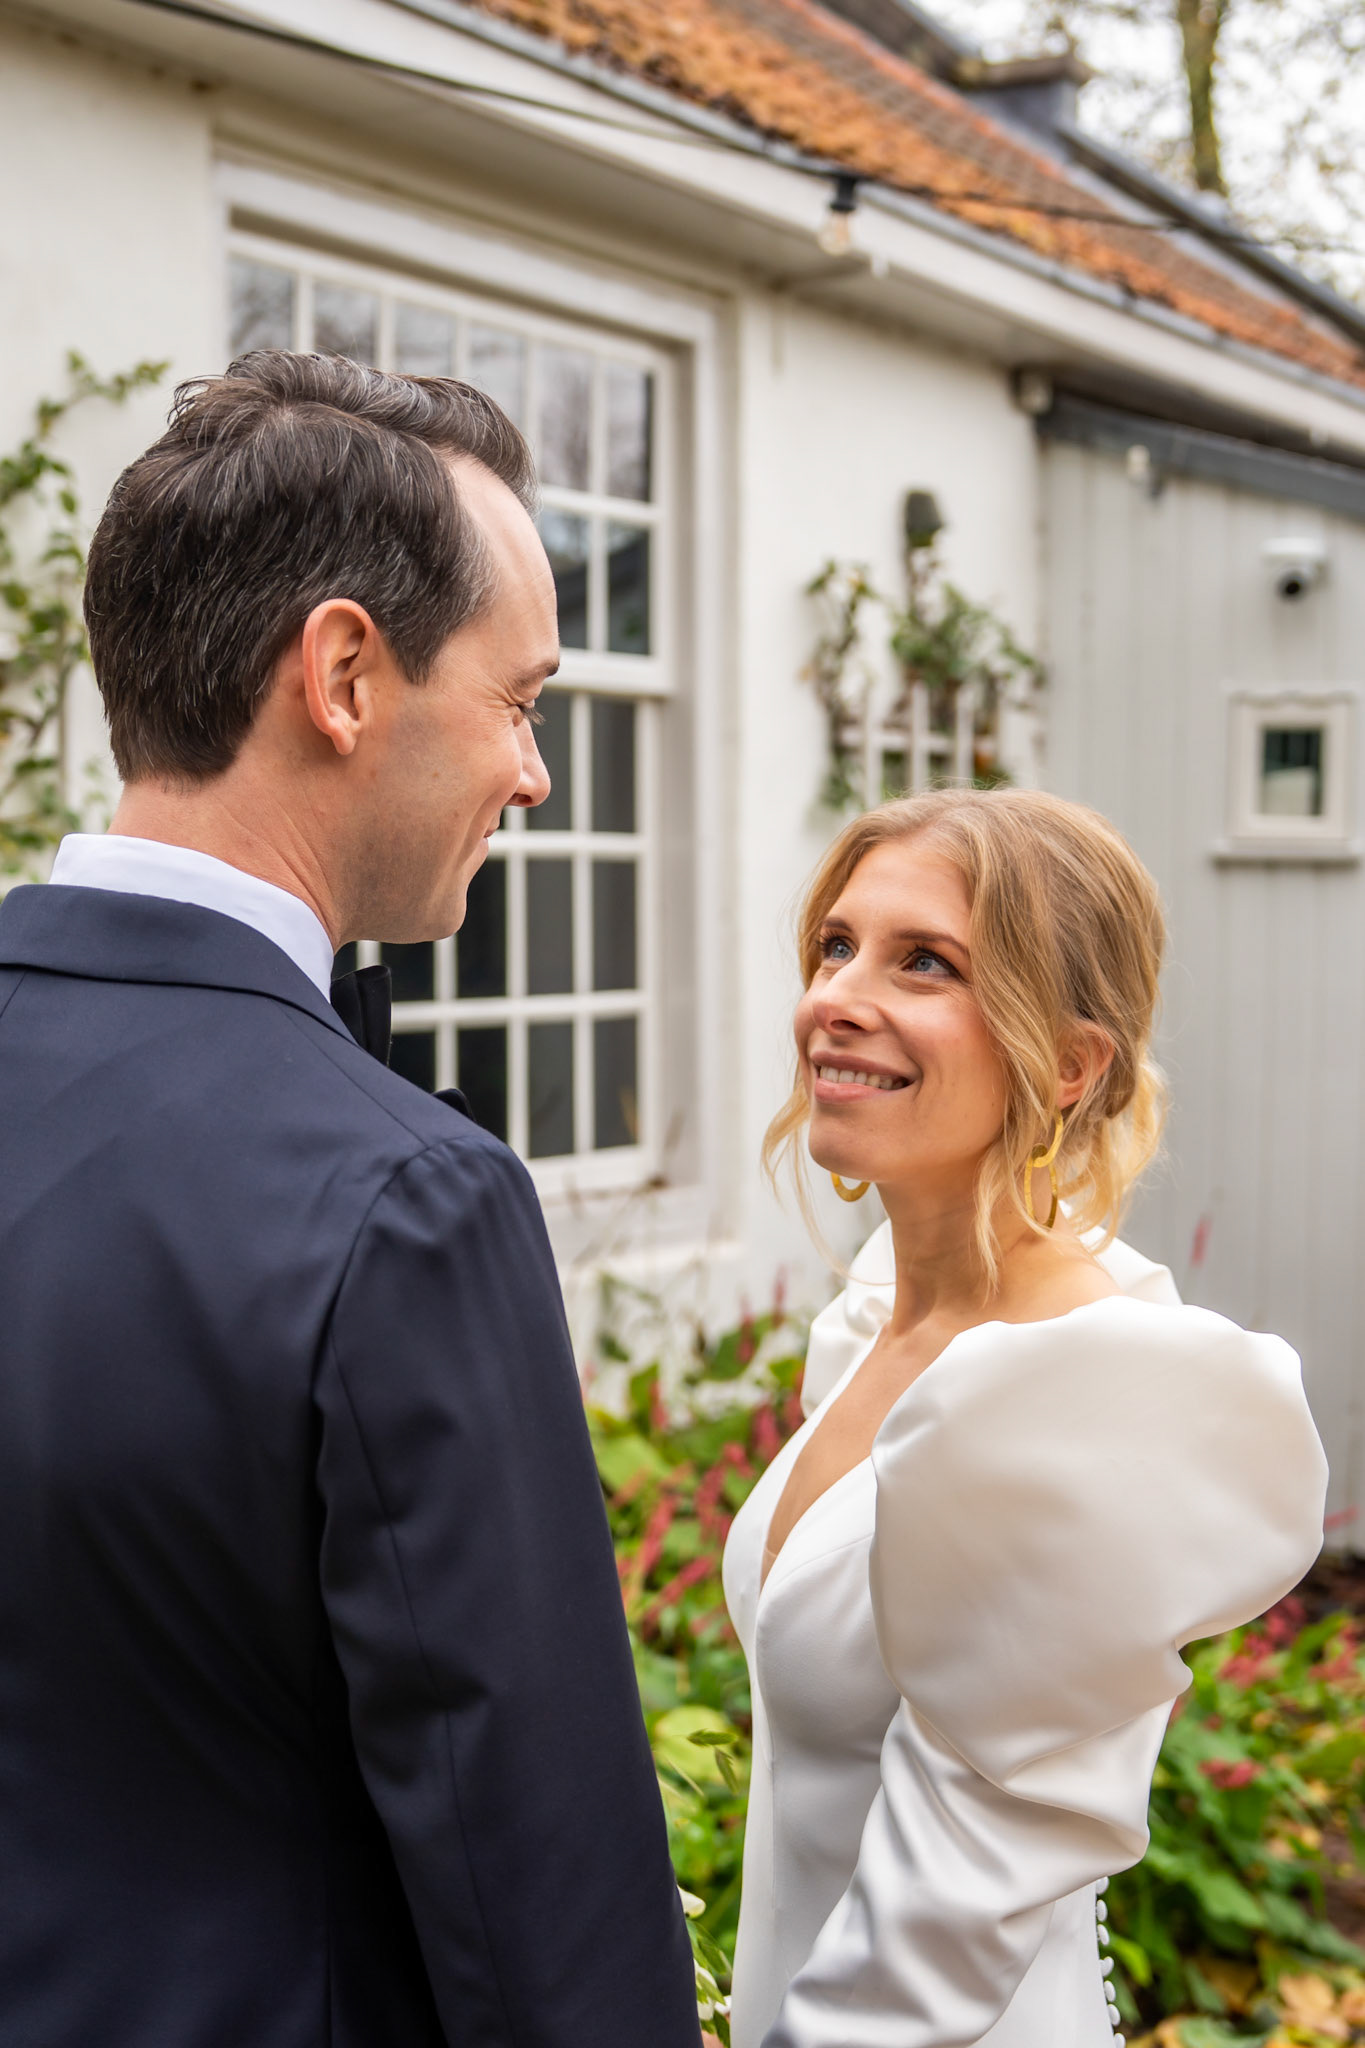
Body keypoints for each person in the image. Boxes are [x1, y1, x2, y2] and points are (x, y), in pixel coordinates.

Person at [0, 353, 700, 2047]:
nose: (535, 774)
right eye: (522, 700)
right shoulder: (403, 1202)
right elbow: (547, 1913)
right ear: (341, 675)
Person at [722, 788, 1327, 2048]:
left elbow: (935, 1936)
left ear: (1067, 1062)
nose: (836, 997)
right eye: (837, 944)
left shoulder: (1076, 1395)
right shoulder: (873, 1325)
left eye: (924, 962)